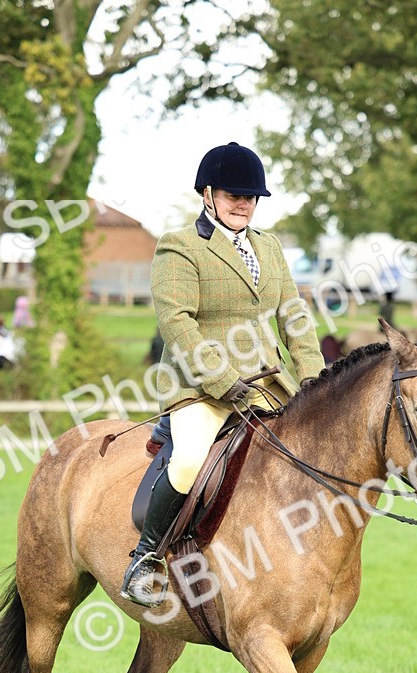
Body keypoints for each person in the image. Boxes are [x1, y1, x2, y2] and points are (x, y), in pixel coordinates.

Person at [120, 141, 325, 607]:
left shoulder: (268, 247)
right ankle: (147, 557)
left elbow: (294, 317)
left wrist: (315, 378)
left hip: (267, 387)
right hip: (200, 390)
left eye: (251, 197)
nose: (244, 204)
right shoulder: (181, 246)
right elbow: (178, 323)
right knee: (191, 459)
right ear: (208, 194)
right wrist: (219, 378)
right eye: (234, 195)